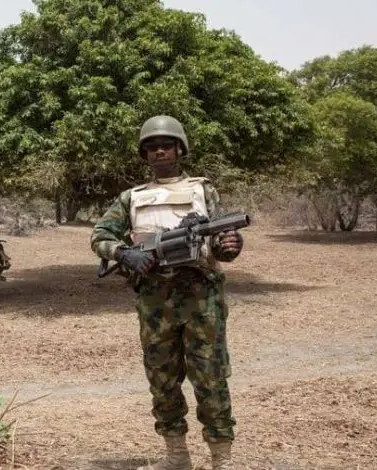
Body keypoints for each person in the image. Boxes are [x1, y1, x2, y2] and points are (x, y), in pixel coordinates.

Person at [90, 115, 244, 470]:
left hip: (200, 298)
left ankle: (222, 460)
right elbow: (100, 236)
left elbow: (221, 243)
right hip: (154, 301)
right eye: (152, 147)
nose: (160, 151)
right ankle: (177, 457)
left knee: (211, 376)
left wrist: (230, 245)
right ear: (145, 155)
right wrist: (124, 253)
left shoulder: (203, 190)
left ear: (180, 149)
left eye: (167, 145)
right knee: (162, 379)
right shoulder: (131, 197)